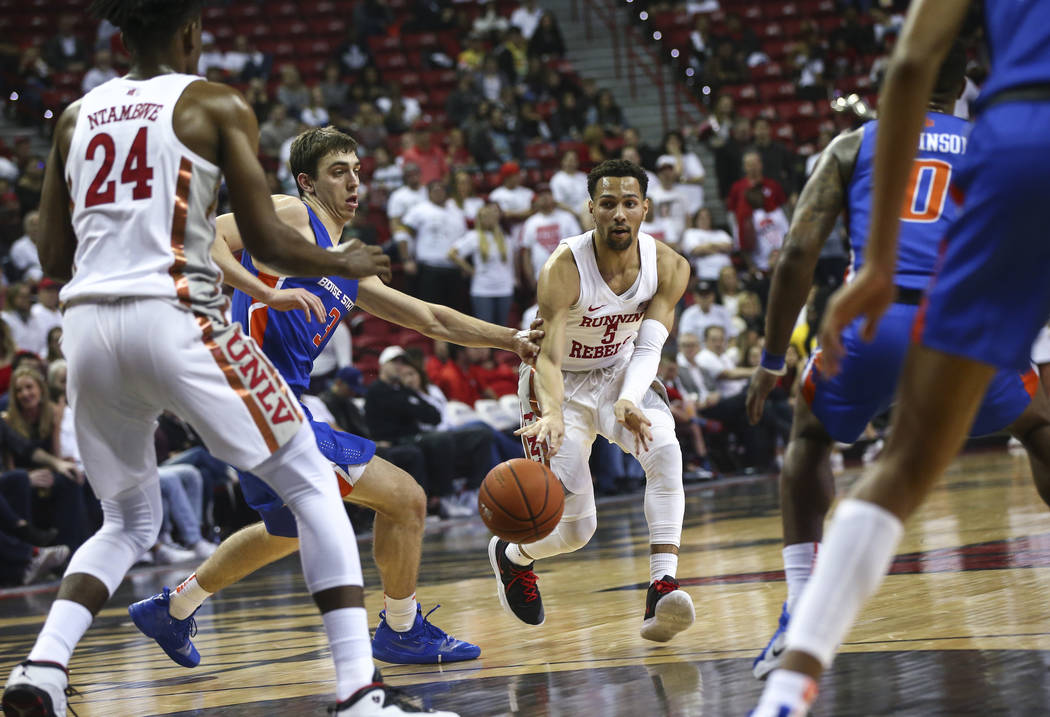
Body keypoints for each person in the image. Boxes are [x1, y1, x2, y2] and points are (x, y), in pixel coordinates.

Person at [0, 3, 422, 716]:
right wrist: (338, 258)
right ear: (192, 33)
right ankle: (359, 692)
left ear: (119, 36)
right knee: (314, 486)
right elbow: (268, 235)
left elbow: (49, 254)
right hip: (174, 318)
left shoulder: (76, 115)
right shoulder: (213, 101)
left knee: (127, 521)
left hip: (86, 331)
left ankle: (41, 667)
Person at [130, 126, 542, 674]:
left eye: (356, 169)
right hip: (255, 394)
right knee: (406, 500)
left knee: (290, 530)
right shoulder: (291, 213)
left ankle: (172, 608)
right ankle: (399, 631)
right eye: (338, 171)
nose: (353, 181)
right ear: (307, 181)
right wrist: (265, 291)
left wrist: (509, 339)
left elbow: (428, 317)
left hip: (260, 404)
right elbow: (199, 236)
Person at [751, 2, 1050, 714]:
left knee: (811, 441)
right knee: (1039, 425)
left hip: (878, 319)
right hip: (960, 317)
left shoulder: (853, 145)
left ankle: (798, 617)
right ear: (965, 80)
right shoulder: (975, 137)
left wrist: (770, 356)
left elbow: (796, 254)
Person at [491, 159, 696, 643]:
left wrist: (628, 398)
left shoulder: (669, 265)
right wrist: (555, 413)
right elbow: (548, 357)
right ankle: (513, 555)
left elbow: (649, 347)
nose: (619, 213)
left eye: (629, 203)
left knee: (666, 452)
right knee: (575, 530)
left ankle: (661, 586)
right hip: (558, 381)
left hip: (619, 372)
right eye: (608, 204)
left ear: (645, 208)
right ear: (591, 210)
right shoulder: (564, 267)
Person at [449, 202, 516, 326]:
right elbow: (452, 254)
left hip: (504, 288)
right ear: (480, 220)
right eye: (485, 217)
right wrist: (469, 269)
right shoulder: (473, 236)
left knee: (503, 327)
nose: (489, 219)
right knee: (486, 328)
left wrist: (513, 280)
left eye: (491, 216)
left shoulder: (505, 237)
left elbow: (511, 262)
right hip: (482, 289)